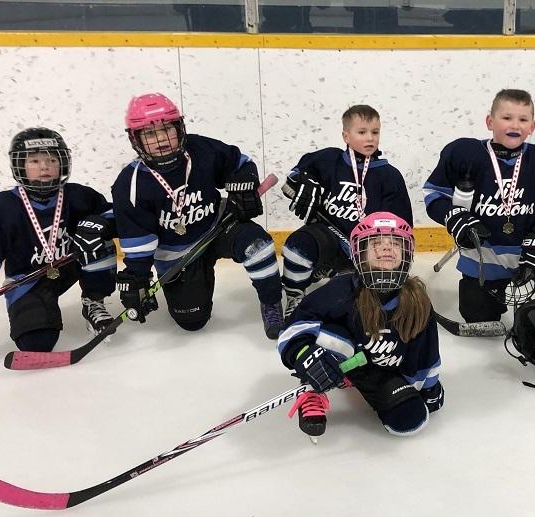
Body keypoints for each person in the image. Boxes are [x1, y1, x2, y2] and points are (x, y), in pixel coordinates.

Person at [111, 93, 283, 338]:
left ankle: (271, 304)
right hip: (178, 255)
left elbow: (241, 164)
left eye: (167, 129)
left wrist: (245, 182)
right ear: (135, 139)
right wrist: (136, 279)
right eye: (149, 134)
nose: (160, 139)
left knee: (258, 245)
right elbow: (139, 239)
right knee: (192, 321)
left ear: (179, 128)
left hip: (217, 228)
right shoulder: (130, 182)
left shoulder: (200, 149)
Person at [0, 127, 116, 352]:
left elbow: (114, 214)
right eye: (34, 161)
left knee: (99, 237)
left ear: (63, 163)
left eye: (51, 159)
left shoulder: (79, 195)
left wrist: (100, 223)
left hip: (71, 265)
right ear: (20, 166)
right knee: (37, 343)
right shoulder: (4, 206)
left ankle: (93, 300)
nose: (45, 167)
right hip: (28, 278)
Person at [422, 89, 535, 323]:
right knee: (478, 319)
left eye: (523, 119)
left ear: (532, 126)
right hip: (483, 260)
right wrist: (454, 216)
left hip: (526, 252)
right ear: (490, 121)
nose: (515, 125)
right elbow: (434, 193)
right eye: (507, 118)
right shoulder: (465, 153)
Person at [277, 212, 442, 438]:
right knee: (330, 337)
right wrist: (305, 354)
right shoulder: (342, 289)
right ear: (359, 254)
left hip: (378, 374)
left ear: (407, 253)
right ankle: (312, 386)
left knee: (410, 419)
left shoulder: (417, 299)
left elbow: (425, 350)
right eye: (375, 243)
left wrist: (428, 386)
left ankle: (351, 381)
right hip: (341, 357)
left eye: (395, 243)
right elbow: (294, 326)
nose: (386, 248)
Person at [281, 105, 412, 318]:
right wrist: (305, 180)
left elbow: (401, 227)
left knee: (356, 307)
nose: (370, 138)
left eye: (375, 132)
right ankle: (296, 295)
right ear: (346, 136)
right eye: (362, 132)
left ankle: (337, 272)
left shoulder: (390, 176)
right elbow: (295, 176)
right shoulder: (327, 160)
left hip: (365, 250)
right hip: (326, 236)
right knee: (297, 246)